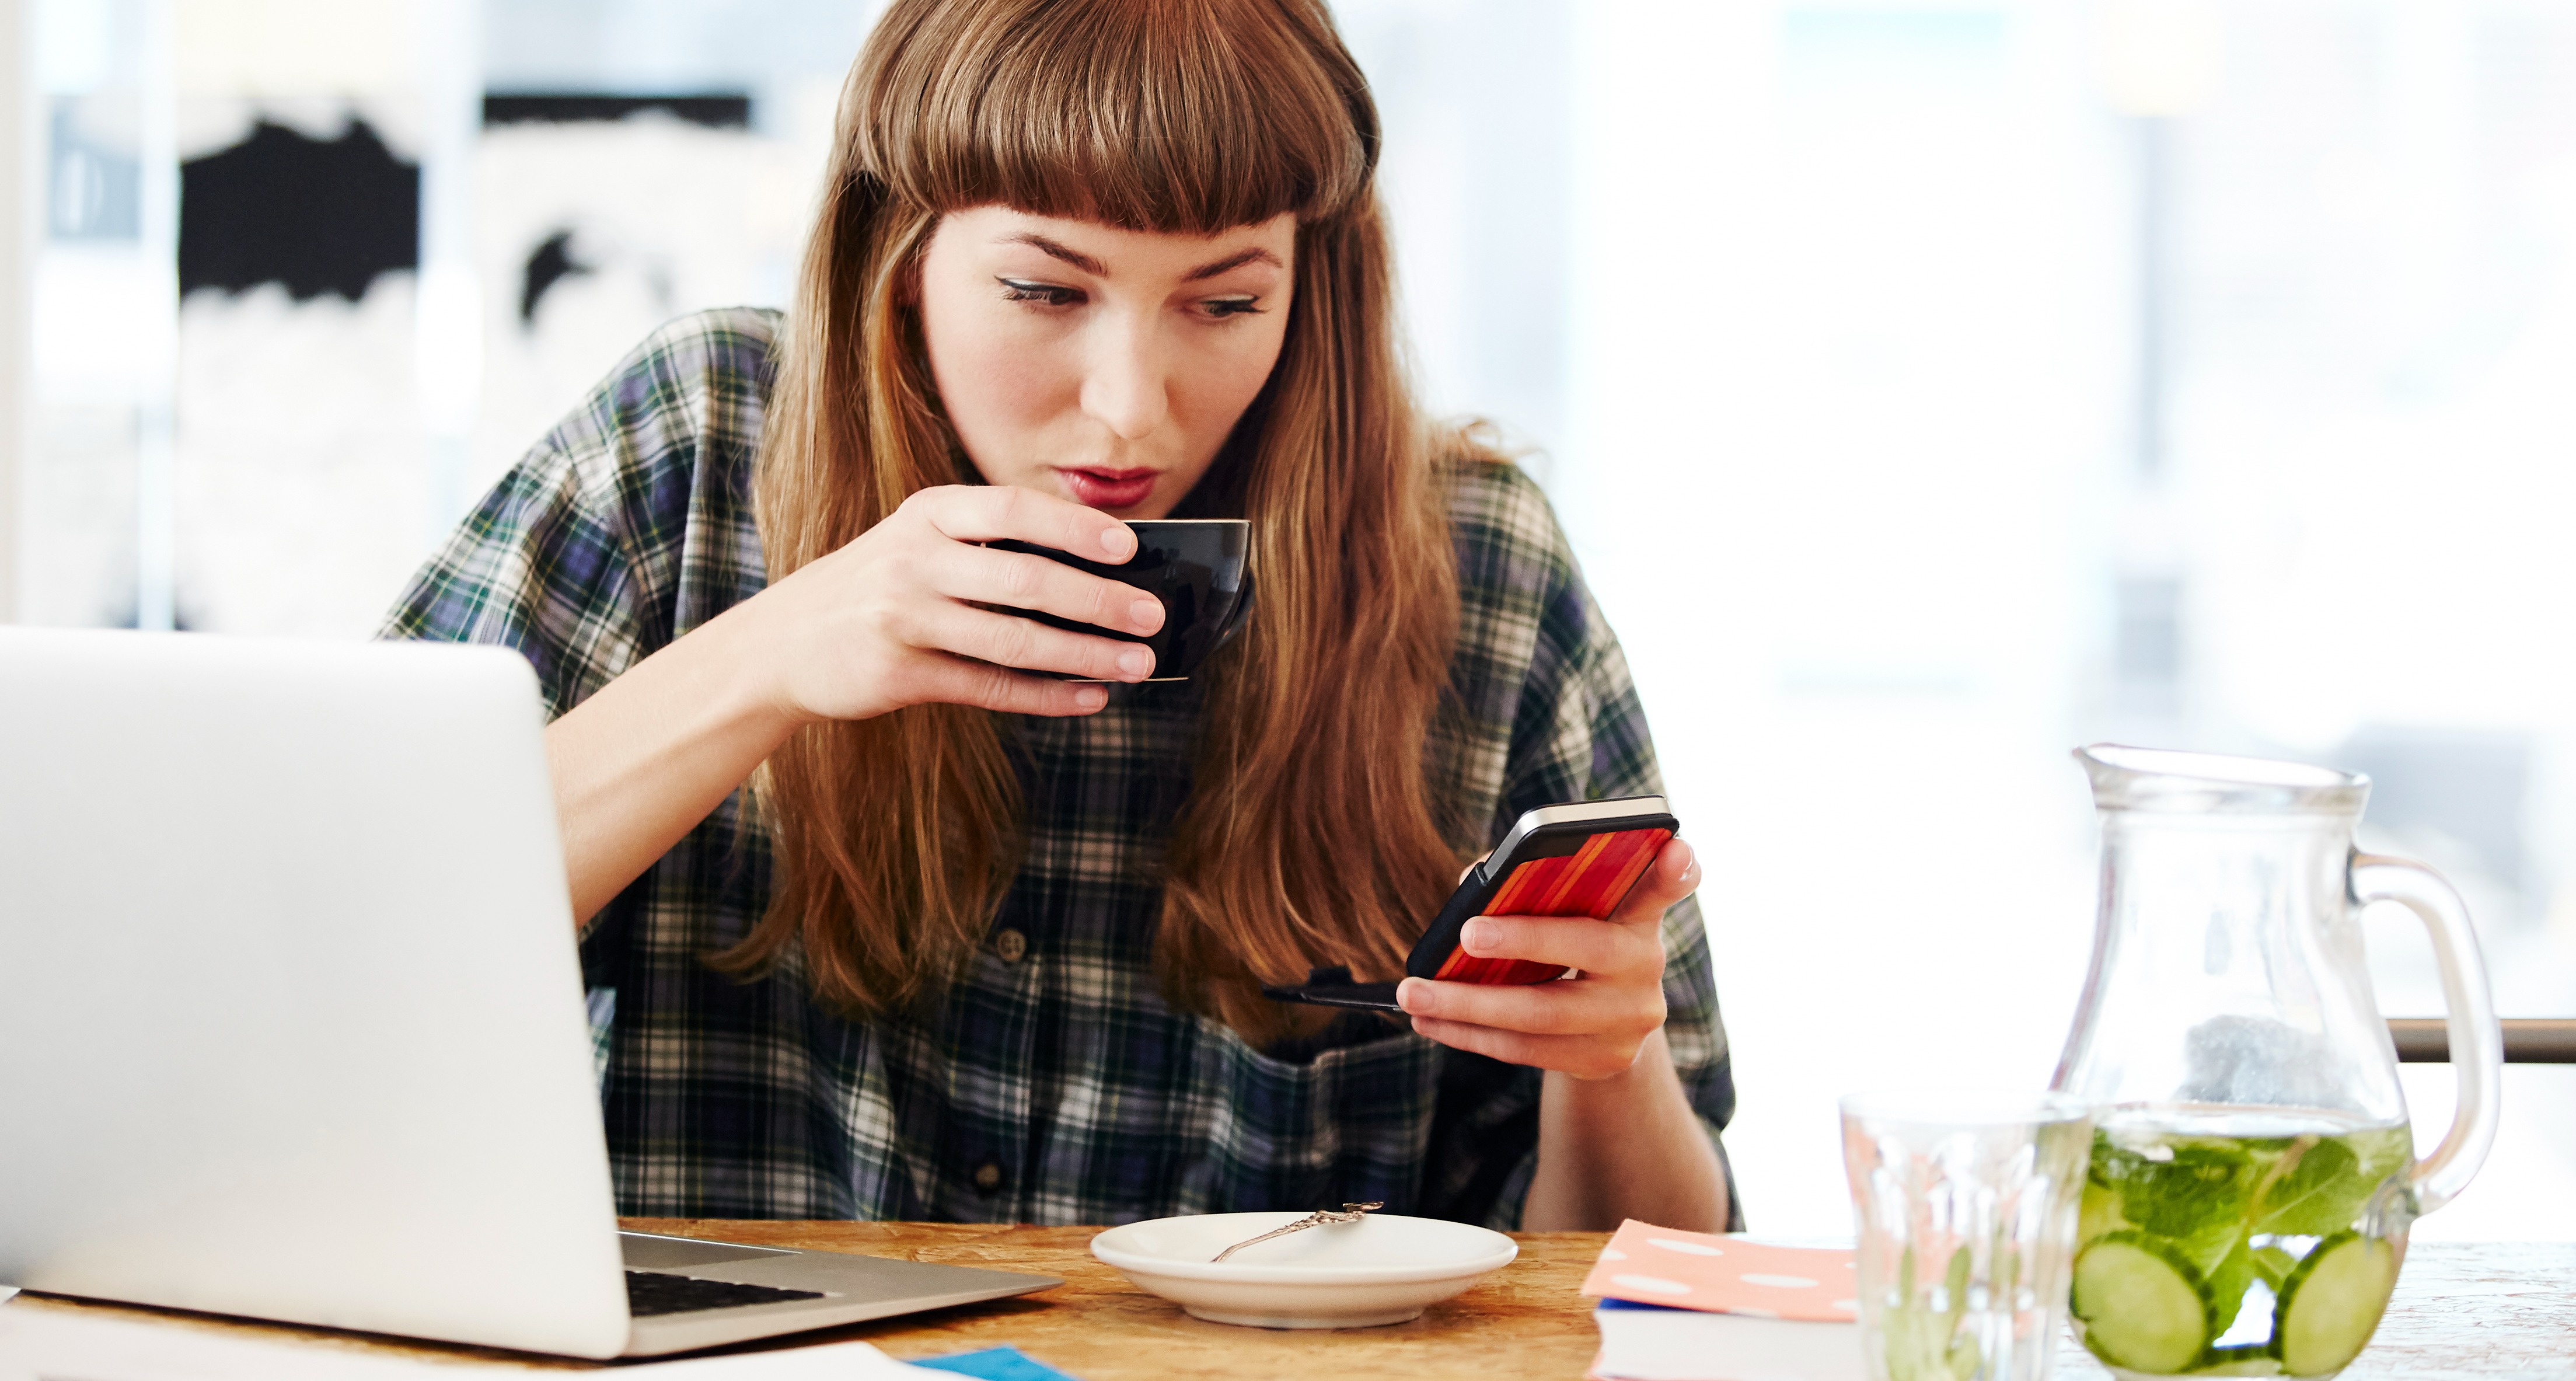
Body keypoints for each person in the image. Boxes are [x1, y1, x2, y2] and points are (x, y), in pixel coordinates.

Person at [384, 0, 1733, 1232]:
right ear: (899, 255)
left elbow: (1659, 1273)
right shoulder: (697, 443)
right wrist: (767, 660)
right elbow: (339, 939)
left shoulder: (1475, 564)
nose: (1130, 407)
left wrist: (1608, 1068)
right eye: (1044, 291)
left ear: (1307, 289)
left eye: (1226, 302)